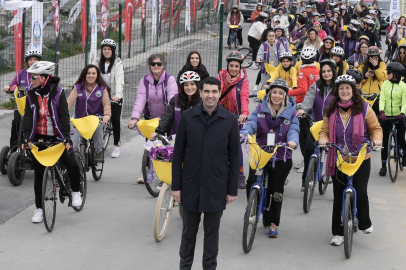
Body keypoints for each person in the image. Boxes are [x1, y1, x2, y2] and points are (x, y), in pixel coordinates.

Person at [172, 76, 240, 270]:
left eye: (214, 92)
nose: (210, 95)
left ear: (220, 94)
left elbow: (235, 158)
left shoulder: (229, 121)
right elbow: (178, 156)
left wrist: (231, 189)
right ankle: (185, 267)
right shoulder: (188, 117)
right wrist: (176, 187)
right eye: (207, 91)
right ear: (200, 93)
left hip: (215, 187)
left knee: (211, 235)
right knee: (188, 234)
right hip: (190, 186)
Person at [319, 75, 382, 246]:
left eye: (348, 88)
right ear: (337, 91)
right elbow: (324, 131)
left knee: (360, 191)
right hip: (338, 156)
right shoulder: (331, 110)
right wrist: (324, 140)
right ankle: (338, 232)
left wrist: (377, 139)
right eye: (341, 88)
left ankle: (364, 222)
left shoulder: (365, 109)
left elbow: (375, 128)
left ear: (353, 91)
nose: (344, 91)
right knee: (339, 195)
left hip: (361, 157)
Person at [23, 61, 83, 223]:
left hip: (58, 138)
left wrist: (66, 136)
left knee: (72, 164)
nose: (31, 80)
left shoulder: (58, 93)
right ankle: (39, 209)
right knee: (39, 175)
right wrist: (25, 138)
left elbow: (63, 115)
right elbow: (28, 118)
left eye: (34, 77)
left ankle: (76, 192)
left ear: (43, 78)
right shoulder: (30, 94)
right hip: (39, 140)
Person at [241, 79, 299, 237]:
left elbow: (294, 129)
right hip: (260, 153)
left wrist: (293, 141)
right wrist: (244, 132)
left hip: (281, 155)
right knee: (252, 181)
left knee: (276, 191)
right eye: (274, 92)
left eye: (281, 93)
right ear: (269, 93)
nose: (277, 95)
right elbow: (251, 123)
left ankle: (273, 222)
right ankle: (251, 205)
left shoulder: (291, 112)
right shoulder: (260, 108)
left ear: (285, 95)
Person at [128, 53, 178, 184]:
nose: (156, 66)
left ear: (163, 65)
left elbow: (172, 100)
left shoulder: (170, 80)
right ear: (149, 65)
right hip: (150, 120)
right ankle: (145, 169)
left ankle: (164, 175)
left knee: (165, 148)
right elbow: (140, 99)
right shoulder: (144, 80)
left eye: (159, 64)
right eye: (153, 64)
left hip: (166, 119)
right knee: (150, 146)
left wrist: (166, 119)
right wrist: (135, 118)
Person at [298, 59, 337, 189]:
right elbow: (308, 100)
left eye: (329, 71)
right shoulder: (315, 86)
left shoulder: (338, 87)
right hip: (316, 124)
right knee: (309, 149)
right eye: (324, 71)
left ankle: (337, 180)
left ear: (333, 72)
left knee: (336, 153)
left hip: (333, 126)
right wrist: (303, 109)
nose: (326, 73)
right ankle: (305, 179)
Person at [216, 51, 249, 189]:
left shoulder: (243, 80)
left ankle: (240, 174)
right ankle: (219, 172)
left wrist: (244, 113)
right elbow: (215, 93)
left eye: (237, 66)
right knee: (218, 146)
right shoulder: (220, 77)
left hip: (236, 117)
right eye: (231, 65)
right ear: (227, 66)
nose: (234, 68)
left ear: (240, 67)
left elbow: (244, 97)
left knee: (236, 147)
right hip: (220, 115)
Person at [68, 64, 111, 162]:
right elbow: (69, 101)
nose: (91, 75)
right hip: (81, 120)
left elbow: (106, 103)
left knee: (98, 128)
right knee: (74, 146)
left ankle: (98, 152)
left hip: (96, 119)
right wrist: (62, 113)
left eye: (93, 73)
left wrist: (107, 115)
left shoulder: (102, 88)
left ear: (97, 75)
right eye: (88, 73)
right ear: (84, 74)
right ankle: (78, 167)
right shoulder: (77, 87)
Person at [289, 47, 320, 173]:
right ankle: (313, 159)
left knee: (304, 136)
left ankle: (306, 160)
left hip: (303, 105)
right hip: (315, 105)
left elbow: (302, 90)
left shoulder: (302, 72)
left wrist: (287, 91)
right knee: (313, 134)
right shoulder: (317, 70)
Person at [92, 39, 124, 158]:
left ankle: (116, 145)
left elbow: (119, 80)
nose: (106, 51)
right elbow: (90, 75)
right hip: (99, 94)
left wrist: (118, 95)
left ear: (113, 51)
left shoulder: (118, 63)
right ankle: (94, 144)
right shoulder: (96, 61)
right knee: (94, 118)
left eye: (109, 49)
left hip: (114, 95)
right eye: (104, 49)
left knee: (115, 119)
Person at [3, 50, 41, 148]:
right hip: (20, 106)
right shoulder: (22, 74)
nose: (32, 62)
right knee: (16, 122)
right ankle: (13, 148)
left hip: (36, 106)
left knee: (36, 125)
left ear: (39, 61)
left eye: (35, 59)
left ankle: (34, 145)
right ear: (27, 61)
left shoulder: (42, 74)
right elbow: (13, 85)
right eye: (30, 59)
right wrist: (8, 88)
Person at [152, 71, 201, 139]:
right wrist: (159, 131)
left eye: (192, 84)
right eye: (186, 85)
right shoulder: (176, 99)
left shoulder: (202, 101)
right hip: (177, 138)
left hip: (196, 139)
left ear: (197, 85)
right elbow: (168, 116)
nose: (189, 87)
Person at [378, 62, 406, 176]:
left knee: (400, 138)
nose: (387, 74)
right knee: (384, 142)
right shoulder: (385, 84)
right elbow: (382, 99)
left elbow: (404, 101)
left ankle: (404, 153)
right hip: (386, 117)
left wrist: (402, 113)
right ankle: (383, 166)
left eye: (389, 72)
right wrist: (381, 111)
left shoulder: (403, 86)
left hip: (398, 116)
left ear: (395, 74)